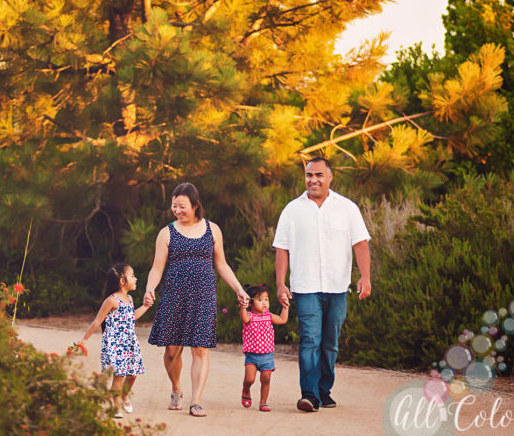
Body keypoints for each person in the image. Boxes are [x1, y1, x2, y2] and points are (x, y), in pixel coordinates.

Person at [273, 157, 371, 413]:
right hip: (305, 287)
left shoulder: (347, 208)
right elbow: (282, 249)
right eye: (308, 175)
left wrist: (365, 276)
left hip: (337, 287)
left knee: (330, 343)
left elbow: (360, 243)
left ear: (330, 177)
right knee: (309, 340)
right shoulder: (292, 210)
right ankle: (309, 394)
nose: (313, 179)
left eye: (318, 175)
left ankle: (323, 390)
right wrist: (281, 284)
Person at [144, 182, 249, 417]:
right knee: (172, 350)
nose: (177, 210)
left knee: (200, 349)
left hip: (203, 296)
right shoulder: (166, 233)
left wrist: (238, 289)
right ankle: (176, 388)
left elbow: (221, 264)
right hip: (174, 296)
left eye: (182, 206)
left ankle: (196, 401)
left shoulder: (213, 230)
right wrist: (150, 288)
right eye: (174, 206)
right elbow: (156, 268)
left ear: (195, 205)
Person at [76, 263, 151, 418]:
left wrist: (145, 306)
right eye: (132, 276)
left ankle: (124, 395)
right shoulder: (111, 301)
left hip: (129, 343)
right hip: (115, 344)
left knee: (133, 375)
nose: (136, 278)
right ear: (122, 281)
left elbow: (132, 317)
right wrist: (84, 340)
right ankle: (116, 405)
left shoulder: (129, 299)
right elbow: (97, 321)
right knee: (119, 376)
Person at [239, 283, 289, 412]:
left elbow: (283, 319)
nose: (264, 303)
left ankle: (263, 402)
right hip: (252, 355)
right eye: (260, 300)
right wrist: (242, 307)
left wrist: (285, 307)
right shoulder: (250, 317)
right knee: (250, 379)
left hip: (267, 356)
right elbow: (244, 318)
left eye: (266, 299)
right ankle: (246, 389)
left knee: (266, 379)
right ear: (251, 303)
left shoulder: (269, 316)